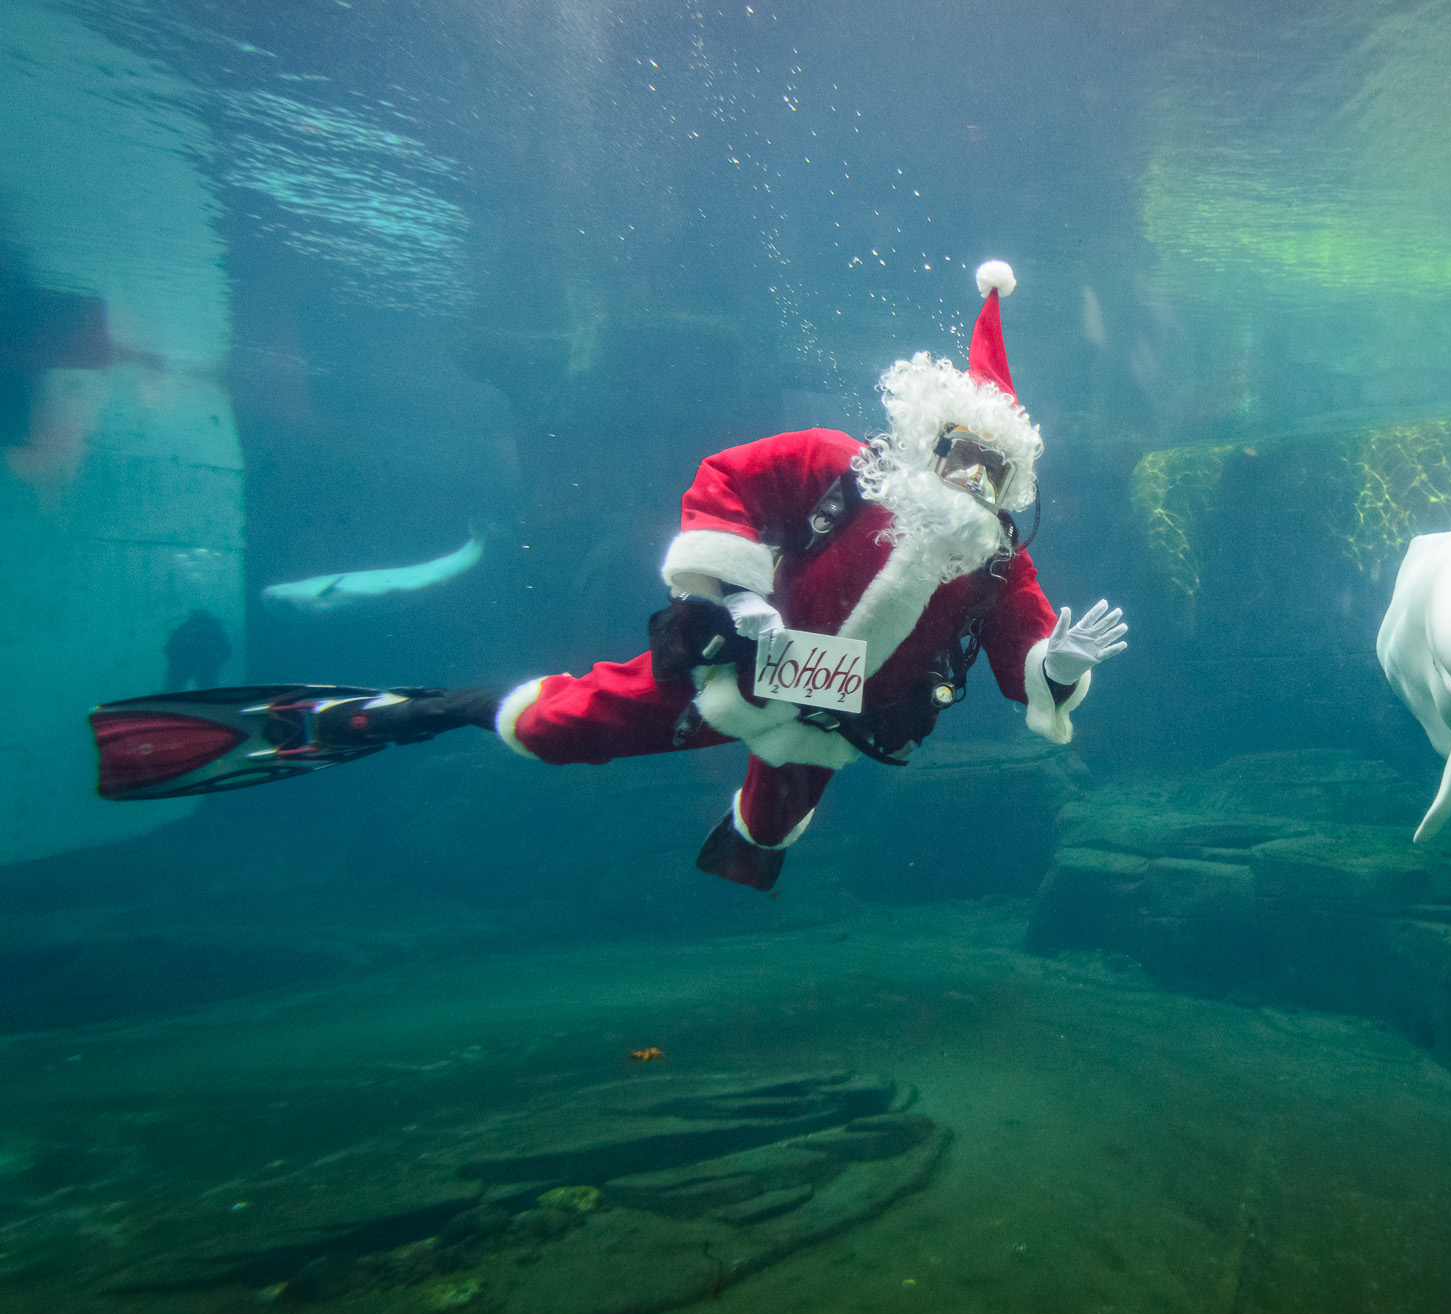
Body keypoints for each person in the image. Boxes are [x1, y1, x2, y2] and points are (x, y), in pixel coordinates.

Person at [89, 262, 1129, 892]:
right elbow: (727, 482)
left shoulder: (996, 559)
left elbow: (1020, 660)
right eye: (957, 451)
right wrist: (740, 596)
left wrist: (1053, 666)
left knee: (773, 814)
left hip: (836, 720)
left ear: (1010, 480)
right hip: (736, 672)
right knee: (559, 730)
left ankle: (742, 850)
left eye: (991, 468)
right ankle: (421, 713)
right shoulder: (832, 464)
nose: (968, 478)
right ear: (922, 433)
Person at [163, 609, 231, 690]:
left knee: (208, 692)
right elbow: (171, 648)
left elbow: (170, 648)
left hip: (203, 666)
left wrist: (215, 662)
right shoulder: (186, 629)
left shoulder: (186, 628)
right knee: (174, 689)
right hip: (189, 665)